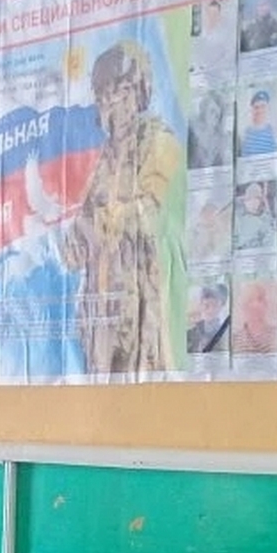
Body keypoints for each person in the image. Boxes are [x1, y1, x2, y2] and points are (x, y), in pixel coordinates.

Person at [63, 41, 180, 374]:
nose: (114, 102)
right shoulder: (102, 161)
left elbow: (146, 211)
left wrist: (96, 225)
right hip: (100, 311)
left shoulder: (158, 140)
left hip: (139, 303)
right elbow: (75, 249)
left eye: (124, 90)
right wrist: (76, 234)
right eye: (106, 93)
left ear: (139, 92)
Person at [187, 91, 231, 169]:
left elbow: (222, 167)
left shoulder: (221, 139)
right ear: (204, 109)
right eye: (212, 111)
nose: (214, 117)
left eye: (217, 115)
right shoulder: (191, 130)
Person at [232, 280, 277, 354]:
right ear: (244, 307)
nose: (255, 305)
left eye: (260, 299)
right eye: (250, 301)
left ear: (265, 304)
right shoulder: (235, 339)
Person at [186, 284, 230, 353]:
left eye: (213, 304)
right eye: (205, 304)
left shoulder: (227, 335)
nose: (207, 308)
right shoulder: (190, 334)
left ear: (222, 305)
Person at [234, 181, 277, 251]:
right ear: (245, 202)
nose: (252, 203)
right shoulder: (237, 217)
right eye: (249, 200)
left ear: (260, 202)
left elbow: (269, 243)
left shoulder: (266, 221)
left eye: (256, 199)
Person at [238, 89, 277, 156]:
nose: (260, 111)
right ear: (252, 110)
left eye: (263, 106)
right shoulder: (246, 133)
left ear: (268, 108)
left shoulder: (273, 131)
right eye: (256, 107)